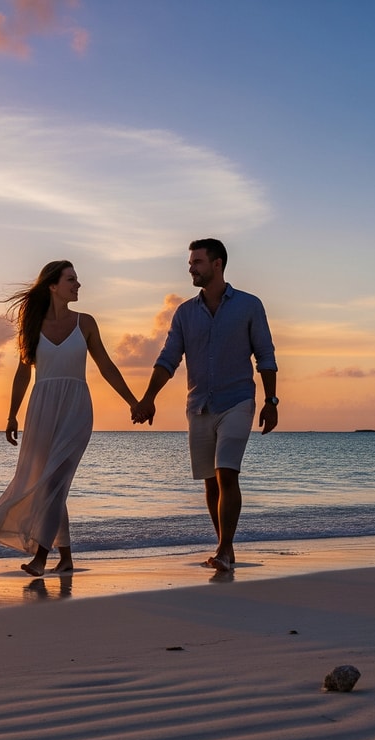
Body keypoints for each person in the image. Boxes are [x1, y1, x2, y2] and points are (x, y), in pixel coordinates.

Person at [0, 260, 139, 576]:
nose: (78, 285)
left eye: (77, 279)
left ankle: (40, 558)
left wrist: (133, 401)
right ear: (53, 286)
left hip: (76, 409)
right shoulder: (33, 327)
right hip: (41, 410)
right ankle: (65, 558)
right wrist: (11, 415)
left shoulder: (86, 323)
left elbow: (106, 366)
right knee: (53, 484)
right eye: (71, 280)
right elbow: (23, 374)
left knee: (54, 480)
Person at [131, 238, 278, 574]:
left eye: (197, 262)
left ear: (217, 264)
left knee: (227, 472)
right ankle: (224, 546)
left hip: (238, 401)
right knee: (211, 481)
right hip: (198, 406)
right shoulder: (184, 313)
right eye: (190, 262)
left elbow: (265, 356)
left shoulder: (249, 306)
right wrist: (148, 398)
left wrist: (271, 401)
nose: (190, 268)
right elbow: (168, 359)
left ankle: (225, 550)